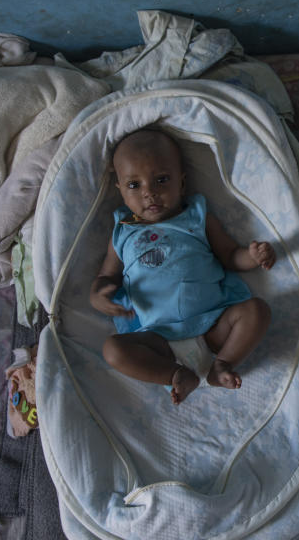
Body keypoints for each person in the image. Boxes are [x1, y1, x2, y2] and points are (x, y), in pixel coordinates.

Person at [89, 128, 275, 405]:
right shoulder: (123, 229)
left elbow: (229, 256)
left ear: (182, 182)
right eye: (134, 185)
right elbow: (107, 275)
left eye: (161, 180)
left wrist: (252, 256)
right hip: (157, 338)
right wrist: (98, 295)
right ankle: (174, 374)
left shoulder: (196, 217)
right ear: (120, 191)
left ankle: (221, 365)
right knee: (113, 350)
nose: (149, 193)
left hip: (213, 323)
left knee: (257, 311)